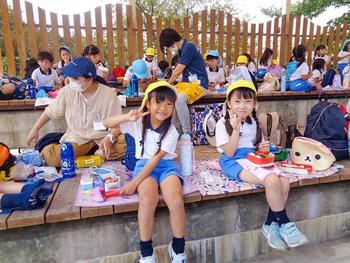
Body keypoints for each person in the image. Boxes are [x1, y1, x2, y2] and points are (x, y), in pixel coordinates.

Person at [216, 80, 308, 250]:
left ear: (255, 103)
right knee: (272, 179)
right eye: (237, 101)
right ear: (228, 103)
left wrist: (263, 147)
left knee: (284, 181)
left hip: (253, 159)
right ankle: (286, 223)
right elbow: (228, 152)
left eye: (247, 101)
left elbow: (260, 147)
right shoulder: (222, 124)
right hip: (234, 162)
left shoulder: (254, 123)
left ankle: (270, 225)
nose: (242, 106)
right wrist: (235, 130)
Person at [104, 81, 186, 263]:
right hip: (143, 166)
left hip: (166, 166)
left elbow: (156, 159)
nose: (164, 108)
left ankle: (178, 248)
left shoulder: (172, 131)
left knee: (176, 199)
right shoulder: (137, 123)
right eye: (159, 102)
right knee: (148, 199)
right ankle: (147, 251)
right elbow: (106, 123)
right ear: (148, 103)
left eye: (169, 104)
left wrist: (134, 183)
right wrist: (127, 117)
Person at [26, 57, 125, 167]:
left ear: (89, 79)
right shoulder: (67, 91)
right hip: (78, 138)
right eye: (70, 77)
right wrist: (35, 129)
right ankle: (94, 156)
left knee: (126, 144)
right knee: (54, 158)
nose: (71, 81)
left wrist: (110, 138)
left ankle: (90, 156)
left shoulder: (108, 94)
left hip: (103, 137)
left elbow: (116, 125)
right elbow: (50, 112)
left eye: (75, 78)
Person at [160, 28, 208, 134]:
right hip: (187, 85)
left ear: (172, 42)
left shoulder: (188, 47)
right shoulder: (182, 51)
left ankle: (187, 132)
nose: (169, 49)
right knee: (170, 95)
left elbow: (177, 71)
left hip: (199, 85)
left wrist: (166, 84)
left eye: (168, 46)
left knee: (179, 98)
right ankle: (175, 130)